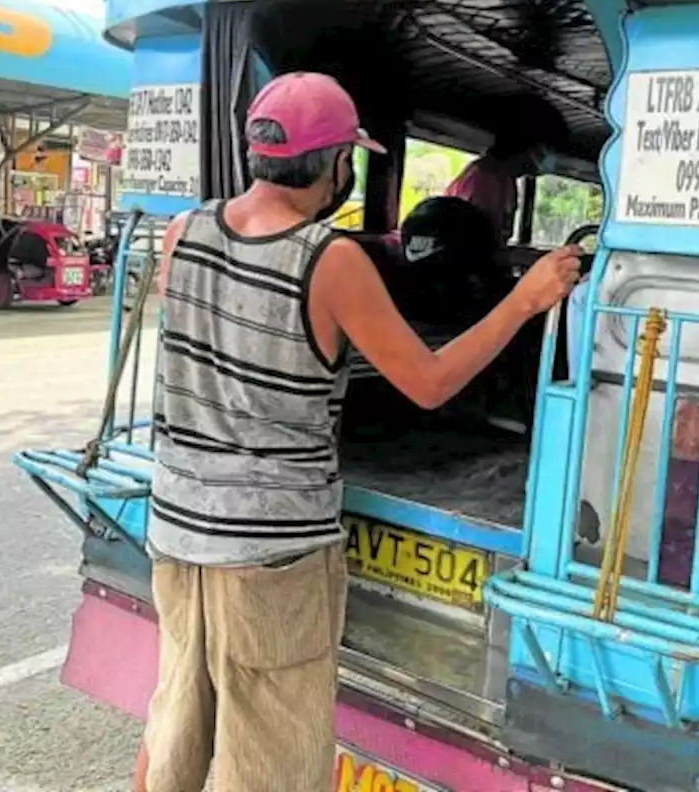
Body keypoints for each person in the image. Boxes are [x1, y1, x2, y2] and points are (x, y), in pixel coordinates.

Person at [135, 71, 581, 792]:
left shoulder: (185, 231)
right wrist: (526, 300)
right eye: (350, 159)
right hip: (271, 556)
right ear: (335, 164)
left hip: (179, 531)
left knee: (174, 728)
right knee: (270, 764)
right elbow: (429, 382)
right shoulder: (328, 258)